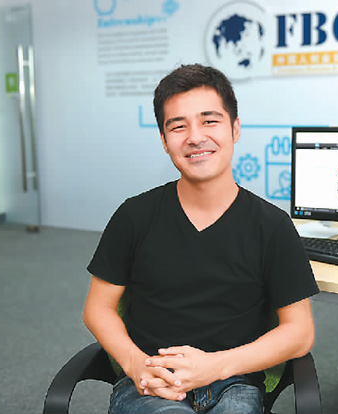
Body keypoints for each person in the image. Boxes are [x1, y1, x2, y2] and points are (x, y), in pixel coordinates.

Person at [83, 63, 319, 414]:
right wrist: (136, 365)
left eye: (210, 121)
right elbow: (97, 308)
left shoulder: (272, 226)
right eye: (178, 126)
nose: (195, 137)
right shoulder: (134, 216)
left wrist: (216, 366)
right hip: (152, 381)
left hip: (234, 382)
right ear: (164, 141)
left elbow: (300, 332)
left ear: (235, 129)